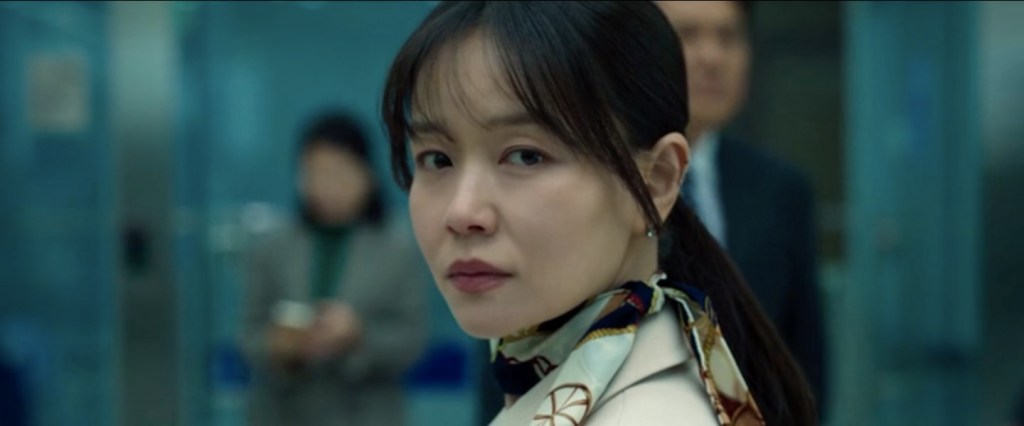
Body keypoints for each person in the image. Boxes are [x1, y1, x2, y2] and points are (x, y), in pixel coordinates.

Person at [381, 2, 816, 425]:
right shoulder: (541, 371)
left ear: (657, 180)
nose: (462, 212)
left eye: (526, 156)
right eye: (436, 159)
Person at [657, 0, 827, 413]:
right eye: (688, 35)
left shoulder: (781, 190)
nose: (712, 57)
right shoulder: (600, 182)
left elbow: (805, 363)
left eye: (728, 37)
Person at [240, 112, 428, 426]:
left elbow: (412, 341)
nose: (325, 188)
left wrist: (357, 336)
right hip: (283, 411)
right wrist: (280, 346)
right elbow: (249, 334)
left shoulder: (396, 248)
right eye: (313, 174)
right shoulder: (274, 247)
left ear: (366, 175)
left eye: (337, 174)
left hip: (366, 413)